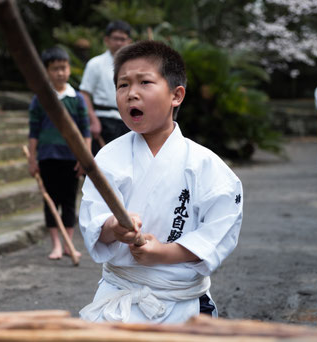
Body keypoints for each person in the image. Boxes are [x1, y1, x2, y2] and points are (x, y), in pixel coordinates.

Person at [78, 41, 243, 323]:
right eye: (123, 85)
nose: (132, 94)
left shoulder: (206, 166)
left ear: (176, 95)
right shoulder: (108, 158)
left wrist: (165, 253)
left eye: (145, 82)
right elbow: (94, 218)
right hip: (119, 297)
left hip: (182, 301)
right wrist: (113, 228)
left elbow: (219, 230)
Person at [28, 46, 91, 260]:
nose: (60, 73)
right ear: (47, 71)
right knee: (50, 202)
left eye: (63, 68)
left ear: (69, 69)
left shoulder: (77, 98)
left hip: (72, 160)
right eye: (55, 69)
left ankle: (68, 243)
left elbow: (85, 131)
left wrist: (85, 158)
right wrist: (31, 159)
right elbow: (33, 131)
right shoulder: (40, 99)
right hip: (47, 158)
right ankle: (55, 244)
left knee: (69, 202)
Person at [79, 20, 132, 155]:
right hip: (103, 121)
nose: (119, 43)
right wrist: (93, 120)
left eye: (123, 39)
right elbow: (84, 94)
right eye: (115, 38)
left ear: (129, 41)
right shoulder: (95, 64)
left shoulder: (135, 66)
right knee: (104, 163)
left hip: (129, 120)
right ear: (107, 40)